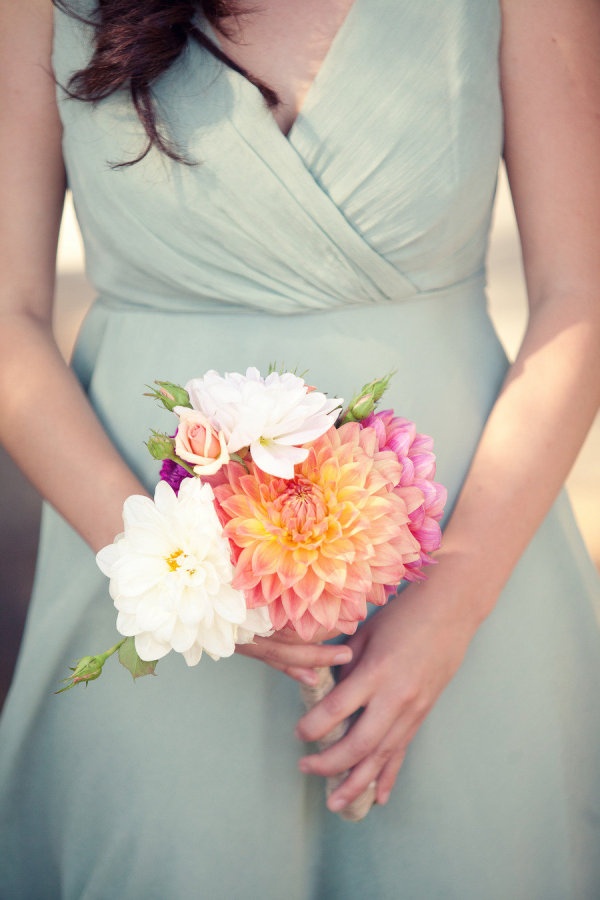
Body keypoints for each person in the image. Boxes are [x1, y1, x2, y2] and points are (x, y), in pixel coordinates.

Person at [0, 0, 599, 896]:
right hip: (138, 570)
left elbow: (578, 296)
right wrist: (166, 570)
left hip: (469, 574)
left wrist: (454, 601)